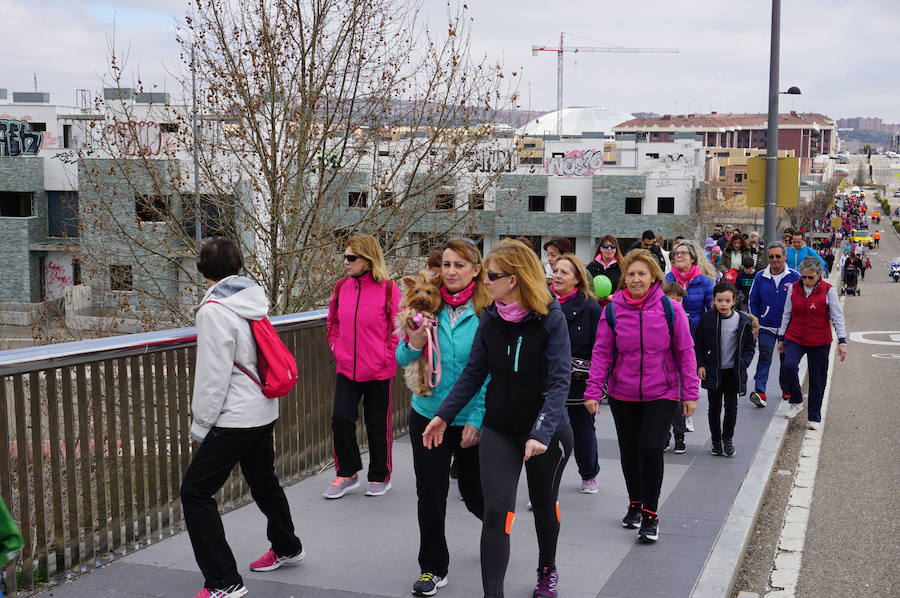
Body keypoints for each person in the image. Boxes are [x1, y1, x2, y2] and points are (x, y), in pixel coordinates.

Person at [422, 239, 573, 598]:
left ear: (515, 279)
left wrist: (541, 431)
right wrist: (444, 416)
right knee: (496, 513)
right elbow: (473, 374)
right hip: (500, 429)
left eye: (492, 276)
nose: (485, 282)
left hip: (546, 432)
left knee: (543, 504)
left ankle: (547, 569)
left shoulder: (550, 318)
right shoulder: (490, 316)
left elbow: (559, 381)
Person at [182, 238, 304, 598]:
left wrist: (201, 425)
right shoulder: (250, 300)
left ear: (203, 270)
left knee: (195, 492)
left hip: (235, 416)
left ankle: (223, 581)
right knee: (263, 480)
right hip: (262, 408)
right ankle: (287, 546)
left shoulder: (215, 311)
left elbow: (212, 375)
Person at [584, 249, 699, 544]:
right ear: (624, 278)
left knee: (650, 449)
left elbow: (685, 352)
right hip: (623, 393)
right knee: (630, 451)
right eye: (631, 274)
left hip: (662, 392)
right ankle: (635, 503)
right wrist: (593, 389)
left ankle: (650, 514)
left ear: (653, 278)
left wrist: (690, 393)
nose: (636, 279)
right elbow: (602, 353)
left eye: (641, 274)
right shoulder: (612, 310)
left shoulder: (670, 309)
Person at [398, 239, 489, 597]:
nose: (450, 272)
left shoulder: (487, 311)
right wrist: (414, 342)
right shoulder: (425, 308)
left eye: (459, 265)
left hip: (470, 418)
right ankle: (432, 567)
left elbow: (491, 371)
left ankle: (498, 529)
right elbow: (400, 360)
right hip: (428, 414)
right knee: (430, 492)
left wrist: (478, 418)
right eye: (446, 265)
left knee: (475, 493)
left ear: (475, 270)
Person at [325, 235, 401, 498]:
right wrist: (336, 347)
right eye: (345, 257)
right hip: (347, 368)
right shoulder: (341, 287)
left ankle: (380, 476)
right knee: (341, 418)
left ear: (367, 261)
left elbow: (398, 327)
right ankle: (347, 473)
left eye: (351, 258)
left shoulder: (389, 289)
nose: (345, 262)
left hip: (379, 369)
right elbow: (332, 323)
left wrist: (386, 355)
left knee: (377, 424)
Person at [551, 253, 602, 493]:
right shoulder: (542, 302)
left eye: (564, 272)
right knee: (546, 433)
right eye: (556, 270)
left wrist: (597, 384)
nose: (558, 275)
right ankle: (545, 485)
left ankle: (589, 474)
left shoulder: (590, 307)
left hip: (580, 382)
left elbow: (600, 348)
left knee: (582, 430)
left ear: (577, 279)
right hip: (547, 380)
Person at [778, 257, 848, 430]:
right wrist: (781, 337)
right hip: (795, 336)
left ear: (819, 275)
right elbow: (787, 313)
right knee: (788, 366)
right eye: (804, 277)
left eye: (811, 278)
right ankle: (796, 401)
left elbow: (837, 317)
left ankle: (814, 417)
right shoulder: (794, 288)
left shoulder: (828, 291)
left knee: (818, 378)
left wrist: (842, 341)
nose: (807, 281)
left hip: (819, 340)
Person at [694, 283, 757, 457]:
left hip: (733, 372)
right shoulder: (707, 319)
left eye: (727, 300)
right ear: (713, 300)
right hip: (713, 371)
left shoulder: (743, 321)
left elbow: (750, 346)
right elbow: (698, 343)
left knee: (731, 407)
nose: (723, 304)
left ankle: (727, 439)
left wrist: (743, 363)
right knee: (714, 408)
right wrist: (700, 364)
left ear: (734, 301)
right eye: (719, 300)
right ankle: (716, 442)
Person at [747, 242, 800, 409]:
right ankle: (760, 391)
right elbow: (753, 301)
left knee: (787, 360)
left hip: (789, 327)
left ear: (785, 256)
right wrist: (755, 322)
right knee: (765, 357)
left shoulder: (794, 276)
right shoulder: (760, 276)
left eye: (778, 256)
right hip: (766, 326)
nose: (775, 260)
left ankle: (787, 389)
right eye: (771, 256)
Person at [664, 240, 716, 330]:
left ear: (692, 258)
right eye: (676, 253)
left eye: (683, 253)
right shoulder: (667, 280)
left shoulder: (705, 281)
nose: (679, 256)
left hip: (696, 330)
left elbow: (711, 310)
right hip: (672, 329)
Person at [661, 281, 688, 455]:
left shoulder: (685, 318)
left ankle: (680, 435)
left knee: (677, 404)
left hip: (677, 369)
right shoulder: (658, 318)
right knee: (661, 405)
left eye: (679, 299)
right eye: (672, 299)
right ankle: (664, 437)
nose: (676, 302)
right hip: (660, 368)